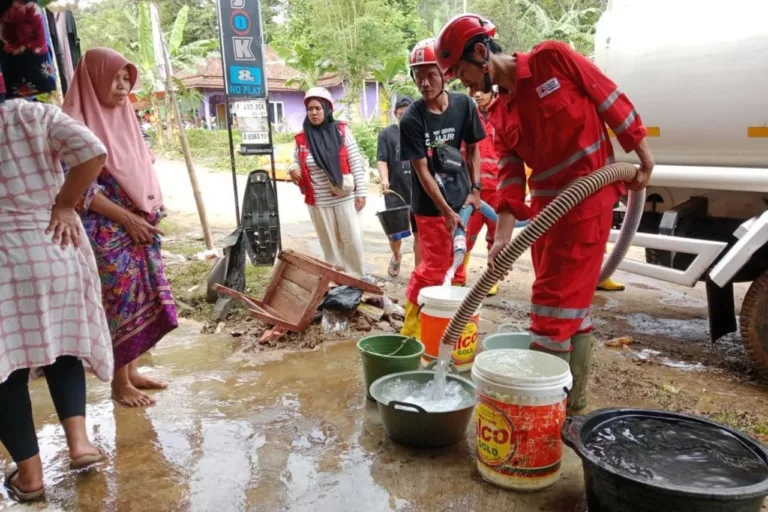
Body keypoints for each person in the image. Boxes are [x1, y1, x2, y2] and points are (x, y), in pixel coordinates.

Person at [435, 14, 655, 411]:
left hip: (588, 203)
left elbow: (607, 97)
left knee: (550, 309)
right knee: (572, 307)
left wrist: (642, 155)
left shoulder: (552, 59)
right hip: (546, 219)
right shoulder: (499, 113)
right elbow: (510, 175)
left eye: (462, 73)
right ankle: (573, 407)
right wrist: (502, 234)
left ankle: (542, 418)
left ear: (482, 53)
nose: (462, 84)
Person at [0, 98, 114, 501]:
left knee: (5, 369)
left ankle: (29, 478)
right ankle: (80, 444)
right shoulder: (31, 113)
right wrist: (64, 203)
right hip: (53, 241)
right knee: (64, 349)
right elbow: (92, 151)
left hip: (4, 259)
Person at [62, 48, 178, 408]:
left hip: (137, 225)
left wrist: (149, 206)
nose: (123, 84)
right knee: (118, 304)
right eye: (115, 77)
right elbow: (79, 189)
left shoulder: (124, 116)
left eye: (127, 77)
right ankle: (118, 384)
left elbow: (140, 166)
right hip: (105, 229)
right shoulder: (72, 124)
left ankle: (132, 371)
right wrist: (127, 218)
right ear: (94, 78)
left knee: (139, 299)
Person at [398, 38, 486, 339]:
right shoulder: (412, 119)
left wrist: (476, 191)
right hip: (431, 208)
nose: (424, 83)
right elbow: (421, 170)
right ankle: (412, 328)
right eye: (418, 75)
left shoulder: (464, 105)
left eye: (431, 74)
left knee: (459, 263)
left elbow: (474, 150)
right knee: (434, 267)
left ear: (445, 74)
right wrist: (446, 211)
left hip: (463, 202)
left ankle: (449, 320)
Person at [289, 87, 367, 276]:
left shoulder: (341, 131)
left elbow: (356, 160)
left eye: (318, 108)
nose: (314, 113)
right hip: (318, 202)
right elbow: (295, 160)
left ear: (327, 109)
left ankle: (356, 279)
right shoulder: (301, 138)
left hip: (343, 197)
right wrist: (293, 169)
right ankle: (337, 281)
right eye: (310, 109)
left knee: (352, 242)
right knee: (330, 245)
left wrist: (361, 192)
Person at [457, 87, 501, 295]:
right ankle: (458, 275)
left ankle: (492, 277)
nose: (478, 95)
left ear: (493, 92)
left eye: (482, 90)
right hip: (473, 189)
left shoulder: (502, 114)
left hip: (498, 189)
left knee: (497, 235)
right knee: (465, 234)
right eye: (473, 90)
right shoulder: (466, 116)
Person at [377, 96, 420, 277]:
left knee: (420, 234)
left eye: (407, 113)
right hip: (395, 192)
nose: (403, 116)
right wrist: (384, 179)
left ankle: (419, 270)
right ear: (395, 114)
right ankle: (396, 257)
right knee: (395, 234)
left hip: (418, 193)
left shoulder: (420, 132)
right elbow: (382, 159)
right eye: (400, 113)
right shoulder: (387, 134)